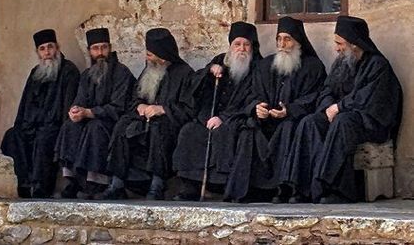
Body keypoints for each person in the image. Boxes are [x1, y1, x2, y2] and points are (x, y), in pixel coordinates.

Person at [285, 15, 403, 203]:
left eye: (340, 43)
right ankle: (303, 188)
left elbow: (367, 99)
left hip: (370, 123)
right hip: (342, 117)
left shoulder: (378, 65)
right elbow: (326, 90)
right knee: (310, 122)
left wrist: (339, 108)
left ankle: (337, 190)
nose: (336, 48)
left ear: (354, 43)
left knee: (343, 121)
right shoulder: (341, 63)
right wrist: (328, 108)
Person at [225, 16, 326, 203]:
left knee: (287, 128)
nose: (282, 44)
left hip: (293, 119)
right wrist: (257, 108)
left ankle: (285, 188)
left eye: (287, 39)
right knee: (249, 130)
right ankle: (249, 190)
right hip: (267, 119)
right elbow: (252, 94)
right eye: (279, 39)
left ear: (298, 41)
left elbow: (315, 97)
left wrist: (290, 110)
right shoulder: (265, 65)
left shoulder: (313, 67)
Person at [172, 21, 262, 201]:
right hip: (208, 116)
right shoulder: (221, 60)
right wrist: (209, 71)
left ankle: (220, 186)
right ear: (230, 46)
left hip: (236, 119)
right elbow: (195, 86)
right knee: (189, 131)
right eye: (237, 44)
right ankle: (191, 185)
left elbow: (255, 98)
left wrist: (224, 118)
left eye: (246, 45)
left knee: (224, 133)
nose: (241, 49)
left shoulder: (258, 68)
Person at [104, 27, 194, 200]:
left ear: (162, 55)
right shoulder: (148, 70)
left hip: (168, 122)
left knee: (158, 128)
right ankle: (117, 183)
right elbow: (134, 98)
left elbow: (189, 109)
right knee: (122, 125)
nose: (147, 57)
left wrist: (162, 109)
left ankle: (157, 185)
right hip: (143, 119)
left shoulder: (184, 73)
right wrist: (140, 106)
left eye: (151, 54)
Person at [55, 27, 135, 199]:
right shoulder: (86, 75)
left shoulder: (122, 73)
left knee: (95, 127)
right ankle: (72, 181)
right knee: (70, 125)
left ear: (110, 48)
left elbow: (119, 107)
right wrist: (76, 110)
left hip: (112, 122)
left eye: (104, 47)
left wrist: (90, 112)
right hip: (91, 118)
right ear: (89, 51)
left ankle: (97, 183)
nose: (100, 53)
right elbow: (80, 99)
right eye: (95, 48)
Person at [1, 29, 80, 198]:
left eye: (50, 47)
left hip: (55, 125)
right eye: (42, 49)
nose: (47, 52)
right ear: (38, 52)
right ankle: (21, 184)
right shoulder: (35, 73)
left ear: (57, 48)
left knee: (44, 137)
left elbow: (69, 103)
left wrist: (61, 124)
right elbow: (24, 104)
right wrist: (21, 125)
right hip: (32, 124)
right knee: (13, 135)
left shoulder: (69, 70)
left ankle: (40, 187)